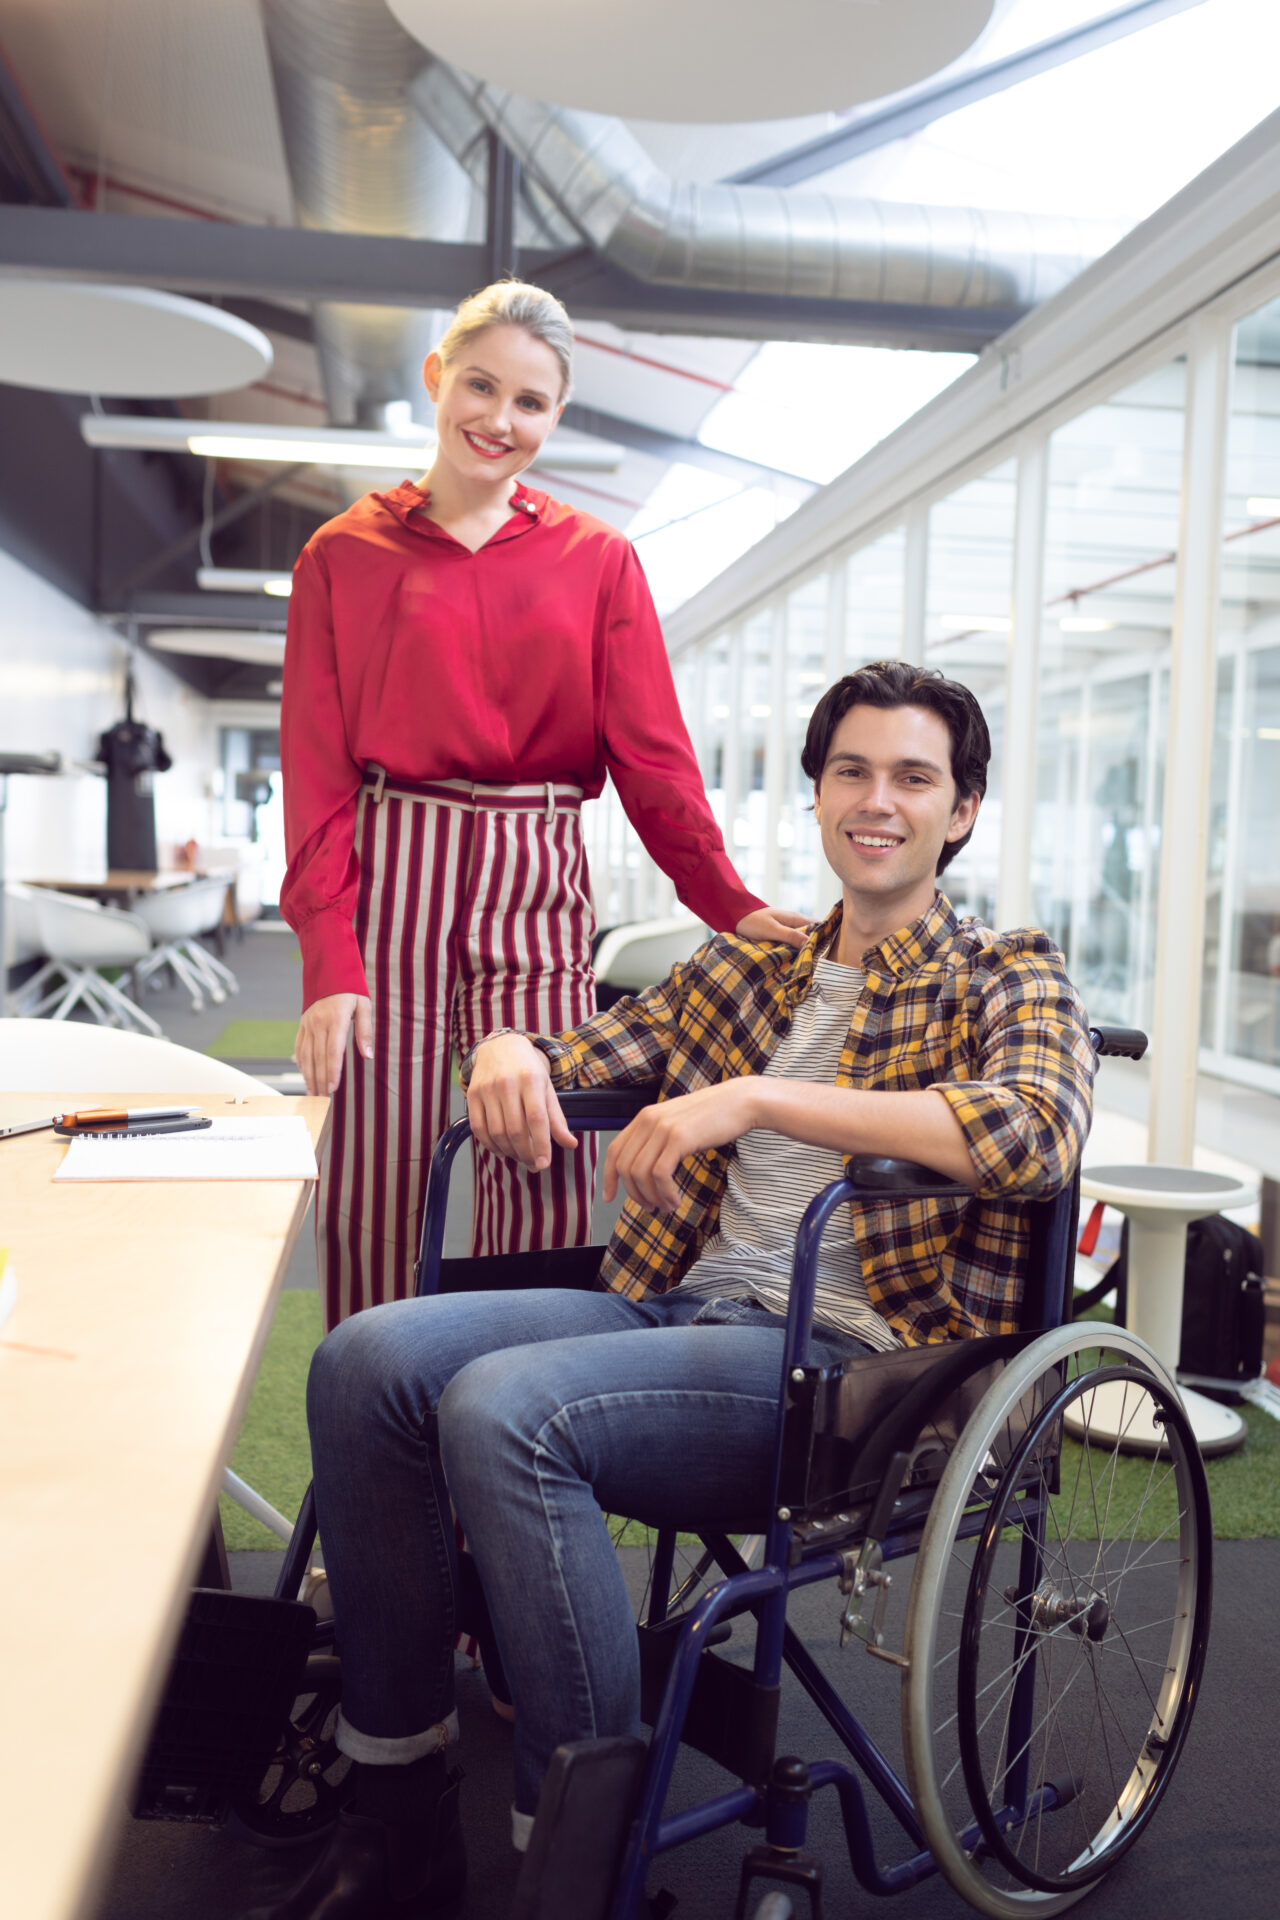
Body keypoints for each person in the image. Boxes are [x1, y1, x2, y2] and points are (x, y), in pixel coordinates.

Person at [253, 662, 1095, 1920]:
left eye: (912, 778)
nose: (877, 800)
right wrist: (502, 1047)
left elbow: (1032, 1133)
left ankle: (581, 1861)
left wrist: (753, 1098)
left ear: (959, 811)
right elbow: (570, 1058)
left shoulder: (1005, 970)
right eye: (849, 772)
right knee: (364, 1359)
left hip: (846, 1367)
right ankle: (397, 1812)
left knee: (504, 1408)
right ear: (815, 797)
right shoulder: (745, 973)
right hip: (674, 1317)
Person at [279, 280, 806, 1328]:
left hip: (534, 866)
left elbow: (652, 759)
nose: (499, 421)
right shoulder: (341, 553)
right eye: (480, 386)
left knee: (540, 1158)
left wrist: (725, 900)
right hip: (394, 866)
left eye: (530, 403)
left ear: (555, 416)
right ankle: (369, 1425)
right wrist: (329, 961)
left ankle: (499, 1421)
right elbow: (316, 775)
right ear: (437, 379)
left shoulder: (599, 561)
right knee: (374, 1177)